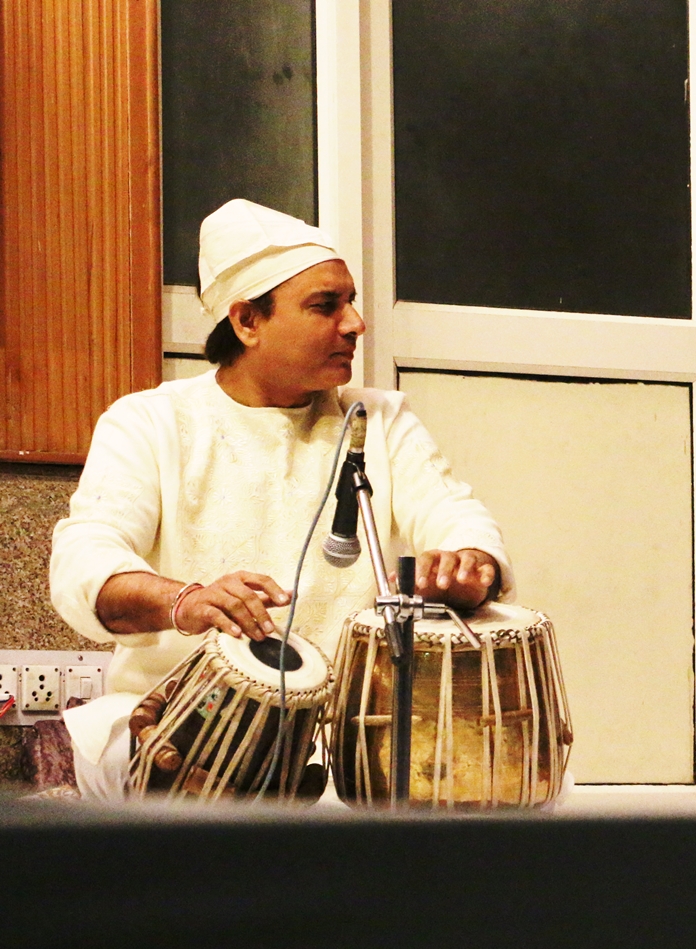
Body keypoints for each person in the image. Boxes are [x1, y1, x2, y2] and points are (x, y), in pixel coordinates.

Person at [50, 199, 513, 800]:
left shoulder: (377, 420)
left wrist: (471, 564)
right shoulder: (150, 422)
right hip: (175, 717)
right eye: (326, 306)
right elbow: (86, 558)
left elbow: (455, 514)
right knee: (127, 752)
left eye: (350, 302)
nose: (355, 324)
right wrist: (185, 601)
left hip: (350, 734)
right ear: (248, 321)